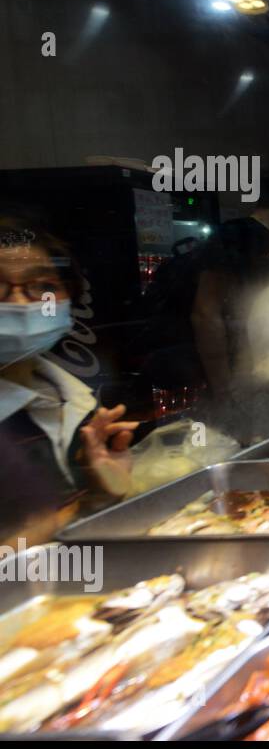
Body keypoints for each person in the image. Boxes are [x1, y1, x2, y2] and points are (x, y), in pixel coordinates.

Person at [0, 219, 139, 544]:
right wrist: (54, 523)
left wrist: (100, 489)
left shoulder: (75, 402)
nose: (21, 302)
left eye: (43, 286)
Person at [189, 164, 269, 402]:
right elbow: (206, 313)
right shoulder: (236, 235)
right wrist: (225, 389)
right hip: (235, 378)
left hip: (260, 376)